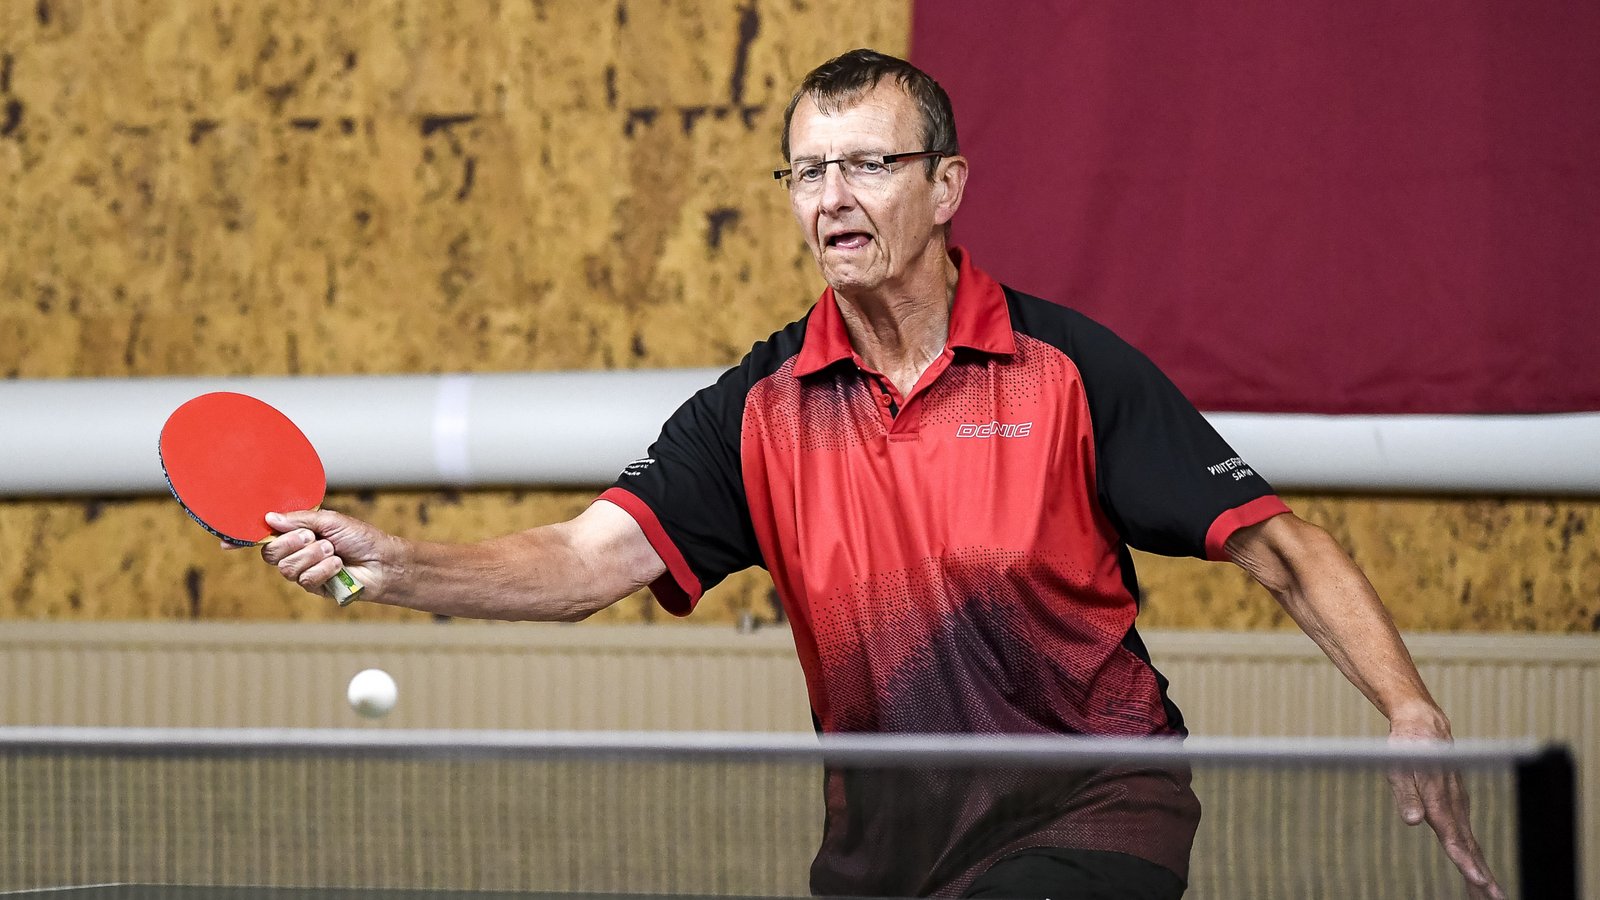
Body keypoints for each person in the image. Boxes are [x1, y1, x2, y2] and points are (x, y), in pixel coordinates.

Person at [259, 49, 1504, 900]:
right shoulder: (756, 409)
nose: (831, 197)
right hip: (888, 860)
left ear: (946, 186)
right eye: (807, 171)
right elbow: (590, 560)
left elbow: (1276, 541)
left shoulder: (1066, 370)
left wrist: (1407, 706)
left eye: (866, 165)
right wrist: (397, 561)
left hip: (1092, 812)